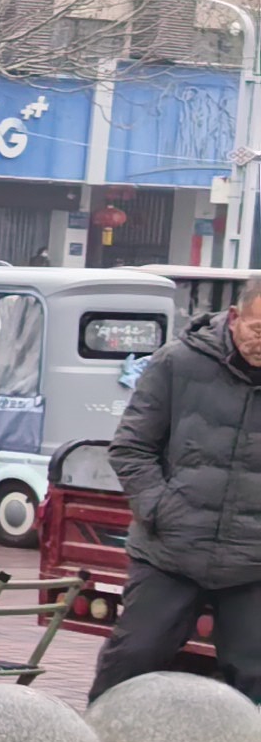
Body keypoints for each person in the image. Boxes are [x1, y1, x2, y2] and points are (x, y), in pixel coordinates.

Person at [92, 277, 261, 699]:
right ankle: (101, 733)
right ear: (235, 318)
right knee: (133, 658)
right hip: (171, 550)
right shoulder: (178, 362)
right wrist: (161, 509)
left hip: (253, 560)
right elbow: (131, 448)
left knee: (255, 676)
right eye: (259, 330)